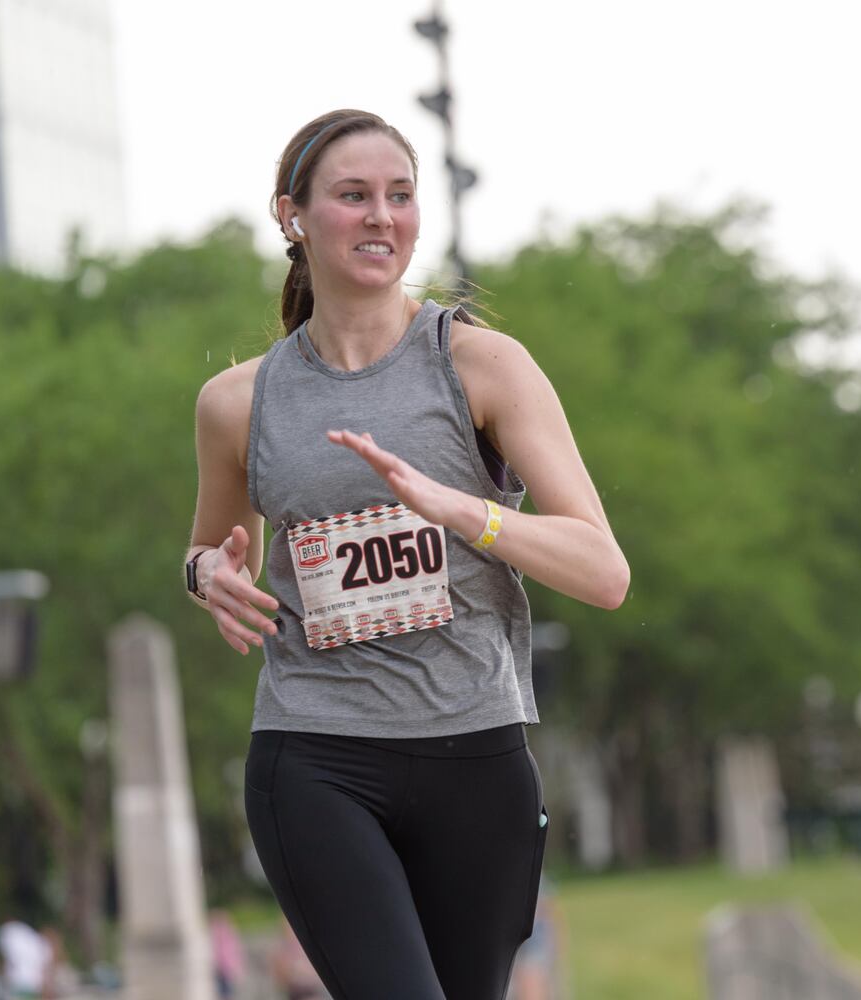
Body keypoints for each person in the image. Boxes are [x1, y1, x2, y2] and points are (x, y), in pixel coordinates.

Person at [185, 109, 629, 1000]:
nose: (382, 216)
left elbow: (604, 572)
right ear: (293, 216)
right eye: (353, 196)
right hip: (315, 753)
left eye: (400, 196)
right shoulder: (237, 402)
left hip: (476, 756)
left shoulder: (482, 367)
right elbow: (209, 547)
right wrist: (204, 575)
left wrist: (463, 510)